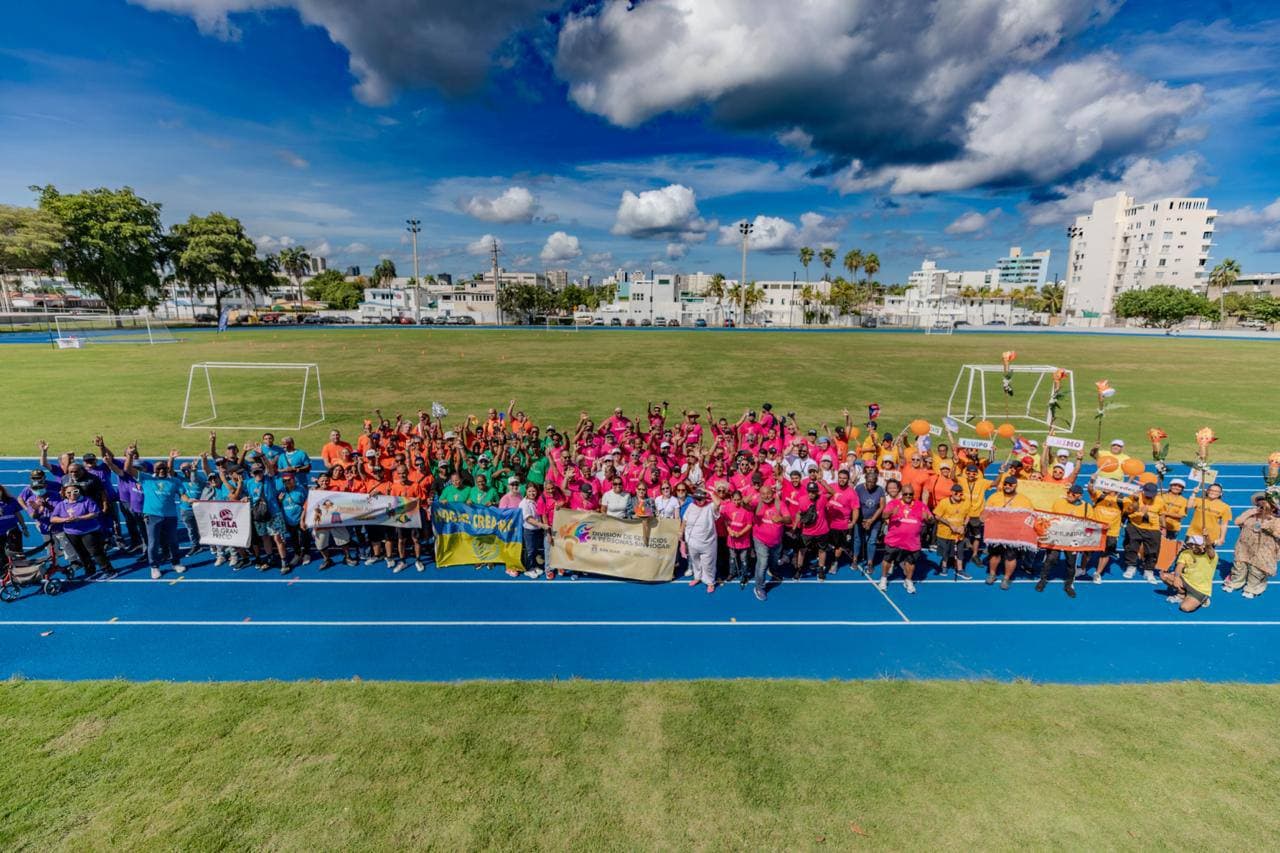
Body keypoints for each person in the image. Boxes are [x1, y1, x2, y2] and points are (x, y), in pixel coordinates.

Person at [103, 443, 185, 579]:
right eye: (159, 468)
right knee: (152, 542)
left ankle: (175, 562)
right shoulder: (146, 478)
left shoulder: (172, 481)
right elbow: (128, 469)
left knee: (172, 541)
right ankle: (154, 566)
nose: (161, 470)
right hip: (152, 516)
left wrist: (192, 500)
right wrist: (129, 454)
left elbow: (179, 488)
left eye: (163, 467)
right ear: (154, 469)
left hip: (170, 516)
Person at [49, 482, 113, 577]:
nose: (72, 494)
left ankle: (108, 571)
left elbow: (95, 513)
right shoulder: (62, 504)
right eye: (69, 492)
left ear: (79, 491)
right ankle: (90, 570)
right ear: (64, 493)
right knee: (81, 553)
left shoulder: (87, 501)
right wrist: (65, 519)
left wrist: (80, 518)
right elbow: (53, 518)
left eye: (75, 491)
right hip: (71, 533)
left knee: (95, 552)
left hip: (89, 531)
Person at [1223, 494, 1280, 599]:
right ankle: (1236, 582)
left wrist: (1270, 529)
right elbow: (1237, 522)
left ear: (1272, 505)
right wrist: (1250, 513)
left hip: (1263, 549)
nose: (1261, 503)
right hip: (1244, 546)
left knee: (1257, 569)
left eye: (1265, 501)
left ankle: (1253, 588)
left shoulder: (1276, 519)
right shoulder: (1251, 513)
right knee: (1240, 565)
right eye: (1260, 501)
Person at [877, 483, 932, 593]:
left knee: (910, 563)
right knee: (887, 560)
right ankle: (883, 579)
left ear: (913, 494)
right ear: (901, 494)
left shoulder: (921, 505)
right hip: (894, 540)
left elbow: (931, 519)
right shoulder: (894, 503)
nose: (908, 496)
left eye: (910, 494)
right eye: (905, 494)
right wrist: (892, 512)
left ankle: (908, 580)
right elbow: (883, 516)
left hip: (912, 542)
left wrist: (928, 519)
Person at [1038, 483, 1089, 598]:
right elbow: (1050, 518)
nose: (1069, 495)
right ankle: (1043, 579)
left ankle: (1069, 584)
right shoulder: (1059, 502)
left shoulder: (1086, 507)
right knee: (1050, 559)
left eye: (1073, 493)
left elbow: (1091, 523)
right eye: (1068, 492)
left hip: (1073, 540)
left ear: (1080, 496)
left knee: (1071, 563)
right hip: (1057, 537)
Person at [984, 477, 1032, 589]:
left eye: (1011, 485)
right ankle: (992, 574)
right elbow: (986, 512)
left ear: (1016, 485)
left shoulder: (1024, 500)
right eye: (1006, 484)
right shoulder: (994, 496)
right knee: (994, 555)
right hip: (996, 533)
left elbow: (1029, 516)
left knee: (1010, 557)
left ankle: (1006, 578)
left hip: (1013, 535)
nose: (1007, 486)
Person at [751, 483, 790, 601]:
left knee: (774, 560)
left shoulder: (780, 504)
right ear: (760, 495)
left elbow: (789, 519)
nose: (766, 496)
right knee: (762, 563)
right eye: (763, 494)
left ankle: (773, 572)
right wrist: (744, 501)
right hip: (760, 540)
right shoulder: (756, 504)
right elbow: (745, 506)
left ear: (773, 494)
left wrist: (781, 519)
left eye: (768, 493)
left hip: (776, 541)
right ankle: (759, 587)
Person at [1121, 481, 1164, 583]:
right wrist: (1136, 502)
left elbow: (1161, 514)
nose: (1149, 497)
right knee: (1131, 547)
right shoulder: (1133, 496)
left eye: (1152, 495)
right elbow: (1127, 511)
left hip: (1153, 527)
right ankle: (1131, 566)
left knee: (1152, 550)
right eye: (1147, 494)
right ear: (1142, 491)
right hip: (1135, 525)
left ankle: (1149, 570)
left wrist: (1163, 527)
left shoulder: (1160, 500)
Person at [1160, 534, 1217, 612]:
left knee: (1184, 607)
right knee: (1163, 576)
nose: (1193, 547)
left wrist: (1207, 537)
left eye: (1196, 545)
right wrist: (1176, 577)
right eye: (1191, 544)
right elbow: (1179, 566)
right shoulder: (1186, 553)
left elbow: (1209, 547)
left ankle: (1203, 599)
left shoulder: (1210, 556)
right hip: (1185, 580)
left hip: (1200, 589)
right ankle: (1182, 594)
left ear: (1203, 545)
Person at [681, 489, 721, 593]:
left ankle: (710, 582)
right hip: (692, 541)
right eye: (697, 499)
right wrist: (681, 532)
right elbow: (684, 520)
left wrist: (708, 491)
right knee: (695, 561)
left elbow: (718, 502)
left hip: (708, 542)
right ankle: (697, 577)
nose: (699, 501)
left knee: (708, 564)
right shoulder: (691, 506)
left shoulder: (710, 506)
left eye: (701, 499)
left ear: (705, 498)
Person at [933, 483, 971, 580]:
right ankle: (944, 567)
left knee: (960, 552)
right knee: (945, 552)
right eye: (956, 493)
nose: (959, 495)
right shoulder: (944, 502)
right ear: (952, 493)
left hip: (959, 533)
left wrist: (963, 526)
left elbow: (968, 515)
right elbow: (937, 516)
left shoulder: (965, 502)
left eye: (960, 493)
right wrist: (950, 525)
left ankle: (960, 570)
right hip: (944, 533)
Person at [853, 467, 886, 571]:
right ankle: (855, 559)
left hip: (875, 521)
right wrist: (862, 520)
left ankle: (870, 562)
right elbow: (855, 504)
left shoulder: (880, 489)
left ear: (876, 481)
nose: (870, 483)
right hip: (860, 520)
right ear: (865, 479)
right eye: (868, 481)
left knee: (872, 541)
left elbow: (882, 506)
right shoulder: (858, 488)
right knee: (858, 539)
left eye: (873, 482)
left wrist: (871, 521)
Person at [723, 490, 754, 587]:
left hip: (743, 540)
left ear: (742, 499)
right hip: (732, 538)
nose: (737, 502)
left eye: (739, 500)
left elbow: (749, 525)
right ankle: (732, 573)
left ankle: (744, 575)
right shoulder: (728, 507)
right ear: (732, 499)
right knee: (732, 557)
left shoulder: (747, 509)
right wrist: (729, 530)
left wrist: (740, 533)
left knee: (743, 558)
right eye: (735, 500)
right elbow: (726, 520)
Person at [519, 483, 550, 579]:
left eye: (534, 491)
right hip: (529, 530)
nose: (532, 493)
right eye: (529, 491)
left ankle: (534, 566)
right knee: (530, 550)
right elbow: (528, 519)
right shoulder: (524, 503)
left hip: (537, 530)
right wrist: (542, 525)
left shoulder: (537, 500)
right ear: (526, 492)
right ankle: (528, 569)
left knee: (535, 549)